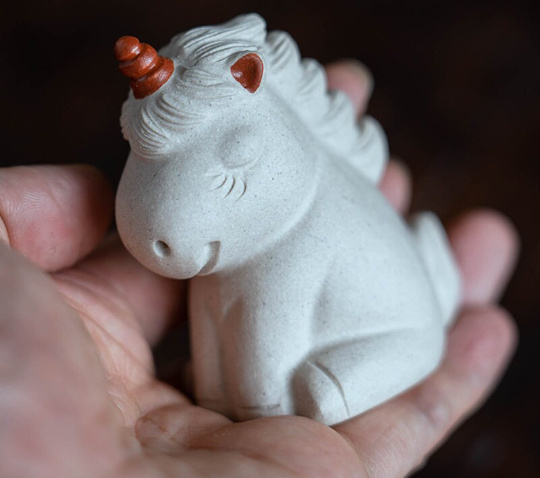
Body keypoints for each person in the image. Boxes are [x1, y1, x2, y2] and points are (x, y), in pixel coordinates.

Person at [0, 62, 518, 478]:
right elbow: (223, 301)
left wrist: (257, 400)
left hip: (394, 330)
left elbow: (275, 318)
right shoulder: (247, 235)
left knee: (313, 384)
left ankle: (285, 387)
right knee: (222, 318)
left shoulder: (305, 222)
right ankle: (224, 390)